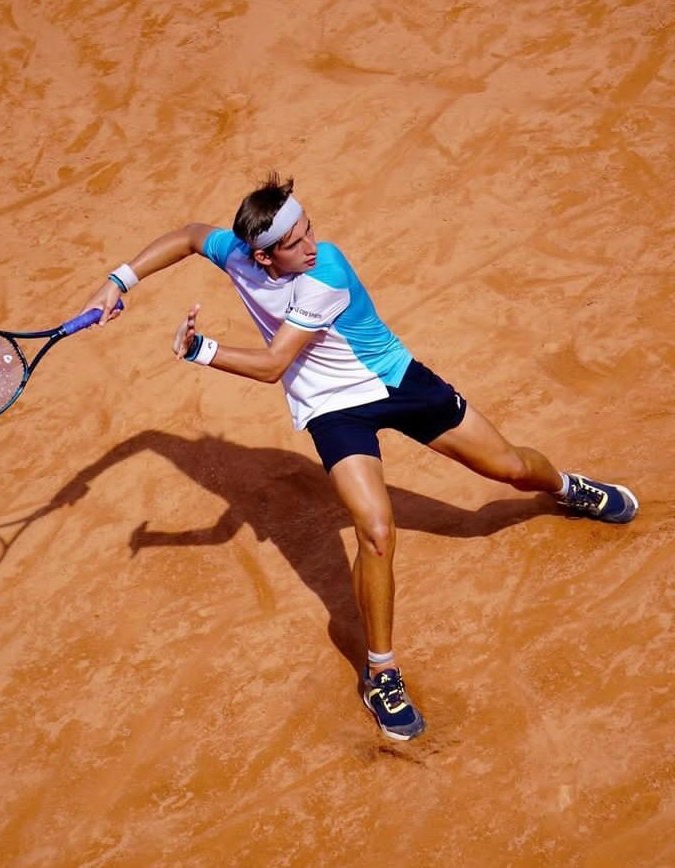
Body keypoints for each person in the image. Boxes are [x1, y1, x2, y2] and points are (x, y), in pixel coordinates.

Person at [81, 172, 638, 741]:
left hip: (398, 383)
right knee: (375, 530)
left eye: (310, 230)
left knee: (512, 469)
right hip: (334, 411)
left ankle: (568, 488)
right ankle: (382, 672)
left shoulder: (324, 274)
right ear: (262, 257)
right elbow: (190, 235)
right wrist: (117, 282)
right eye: (296, 242)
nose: (312, 245)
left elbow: (274, 365)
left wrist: (202, 350)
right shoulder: (238, 255)